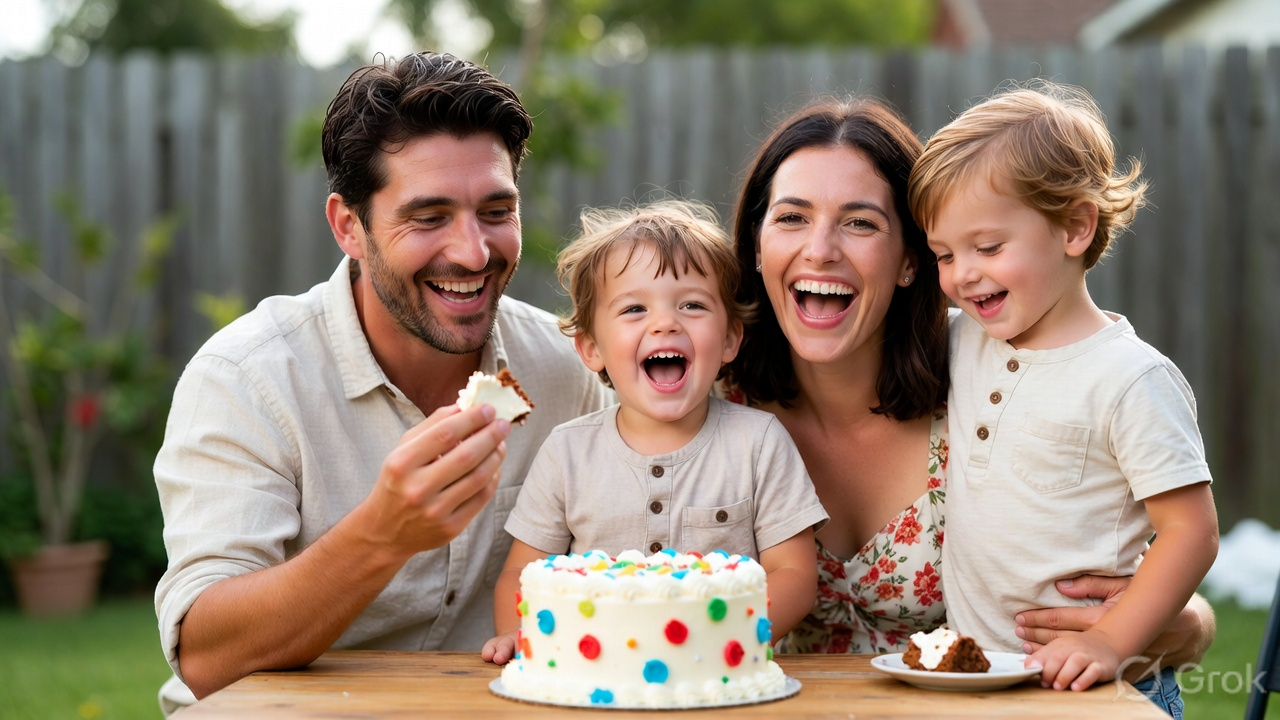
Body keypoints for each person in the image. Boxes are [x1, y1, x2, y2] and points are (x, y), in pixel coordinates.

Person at [152, 52, 613, 715]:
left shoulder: (569, 372)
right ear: (349, 227)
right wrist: (382, 534)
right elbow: (206, 659)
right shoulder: (248, 379)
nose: (473, 252)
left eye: (495, 210)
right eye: (429, 218)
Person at [721, 96, 1216, 688]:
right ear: (755, 244)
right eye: (791, 217)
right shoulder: (706, 398)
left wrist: (1173, 625)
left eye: (860, 222)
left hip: (1011, 692)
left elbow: (1185, 539)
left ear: (909, 260)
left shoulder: (984, 359)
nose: (821, 248)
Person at [907, 81, 1218, 709]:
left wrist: (1110, 640)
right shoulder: (963, 343)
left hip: (1099, 686)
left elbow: (1191, 530)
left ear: (1075, 226)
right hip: (982, 677)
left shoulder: (1129, 379)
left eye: (988, 247)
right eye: (944, 254)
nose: (963, 273)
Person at [482, 199, 829, 665]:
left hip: (718, 677)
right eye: (633, 309)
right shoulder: (568, 452)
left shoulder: (759, 443)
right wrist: (516, 633)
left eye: (691, 305)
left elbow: (794, 574)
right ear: (590, 348)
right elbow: (522, 572)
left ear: (729, 339)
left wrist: (722, 639)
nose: (665, 322)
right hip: (595, 673)